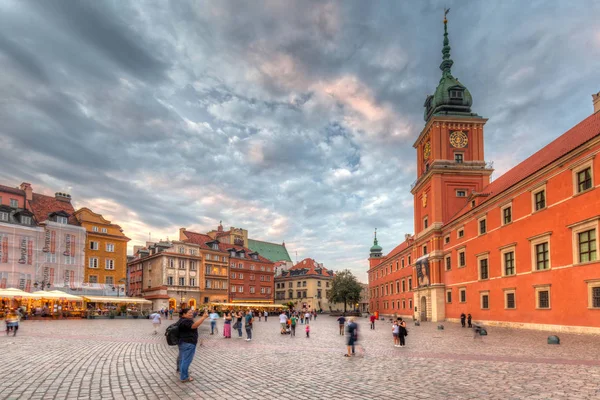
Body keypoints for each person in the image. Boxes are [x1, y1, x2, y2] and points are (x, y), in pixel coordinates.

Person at [177, 308, 209, 382]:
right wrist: (203, 317)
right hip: (188, 343)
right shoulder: (185, 321)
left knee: (182, 359)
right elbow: (194, 326)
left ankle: (183, 373)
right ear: (184, 314)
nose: (191, 314)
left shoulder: (181, 320)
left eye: (192, 312)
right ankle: (184, 377)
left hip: (183, 342)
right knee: (186, 360)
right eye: (189, 313)